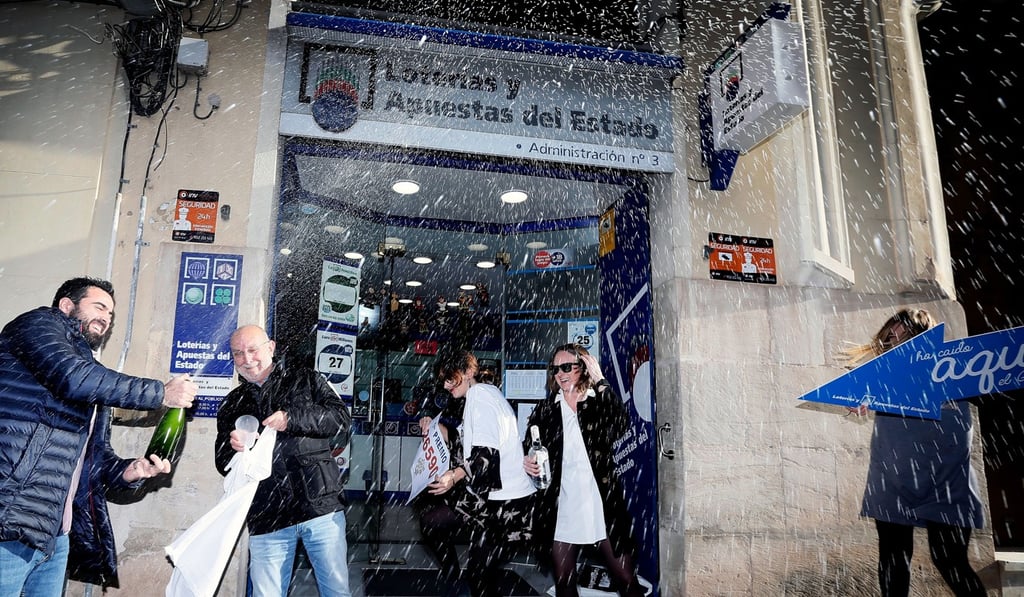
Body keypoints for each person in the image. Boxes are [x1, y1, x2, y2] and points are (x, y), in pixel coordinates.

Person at [0, 276, 196, 596]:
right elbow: (71, 378)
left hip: (54, 537)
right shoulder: (36, 326)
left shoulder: (90, 372)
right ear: (67, 305)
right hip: (9, 524)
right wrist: (160, 392)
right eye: (99, 307)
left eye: (111, 314)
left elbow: (92, 459)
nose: (106, 317)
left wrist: (131, 471)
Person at [844, 309, 986, 597]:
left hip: (946, 483)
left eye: (903, 338)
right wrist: (856, 398)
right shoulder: (881, 377)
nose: (895, 345)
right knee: (893, 563)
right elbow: (857, 395)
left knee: (950, 561)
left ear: (923, 340)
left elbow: (993, 392)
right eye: (890, 339)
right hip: (893, 482)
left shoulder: (956, 371)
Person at [214, 325, 352, 597]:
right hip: (267, 514)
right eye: (238, 353)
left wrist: (292, 419)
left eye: (253, 350)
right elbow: (221, 461)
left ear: (271, 348)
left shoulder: (307, 380)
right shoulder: (233, 402)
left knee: (335, 591)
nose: (247, 359)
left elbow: (340, 421)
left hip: (320, 507)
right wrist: (233, 448)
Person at [523, 344, 643, 597]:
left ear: (583, 368)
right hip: (563, 504)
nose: (560, 373)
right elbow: (530, 446)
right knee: (564, 581)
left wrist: (600, 381)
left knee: (625, 579)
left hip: (600, 502)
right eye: (556, 368)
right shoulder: (546, 409)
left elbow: (621, 423)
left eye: (567, 367)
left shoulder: (596, 401)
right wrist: (529, 460)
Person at [428, 351, 536, 597]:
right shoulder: (484, 394)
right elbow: (465, 444)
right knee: (432, 519)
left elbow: (484, 457)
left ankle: (458, 578)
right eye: (443, 379)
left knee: (480, 574)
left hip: (505, 505)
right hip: (494, 499)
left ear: (467, 372)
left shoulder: (479, 397)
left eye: (450, 377)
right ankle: (454, 576)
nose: (445, 385)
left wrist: (454, 476)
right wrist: (437, 428)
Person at [413, 381, 468, 588]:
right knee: (430, 523)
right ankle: (453, 573)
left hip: (480, 490)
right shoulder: (459, 404)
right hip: (462, 484)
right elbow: (456, 439)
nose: (447, 384)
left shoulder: (480, 405)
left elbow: (477, 452)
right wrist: (431, 424)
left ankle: (455, 574)